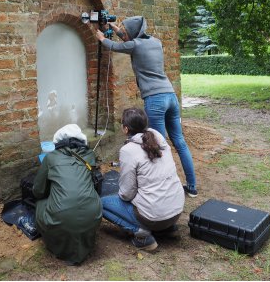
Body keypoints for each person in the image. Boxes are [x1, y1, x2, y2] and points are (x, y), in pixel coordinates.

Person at [95, 16, 198, 197]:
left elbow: (115, 45)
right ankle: (192, 187)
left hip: (155, 100)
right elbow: (128, 39)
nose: (124, 34)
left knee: (158, 146)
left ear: (133, 33)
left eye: (126, 31)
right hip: (170, 96)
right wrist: (114, 26)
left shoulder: (134, 45)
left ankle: (166, 190)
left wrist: (101, 37)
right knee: (179, 142)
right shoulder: (155, 42)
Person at [101, 108, 185, 251]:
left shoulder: (128, 150)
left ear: (125, 129)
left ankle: (142, 234)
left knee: (101, 203)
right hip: (176, 211)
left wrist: (120, 192)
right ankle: (168, 229)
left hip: (154, 216)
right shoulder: (159, 138)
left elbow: (127, 194)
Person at [33, 124, 102, 265]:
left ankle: (59, 244)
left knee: (40, 204)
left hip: (61, 217)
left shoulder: (51, 158)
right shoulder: (90, 155)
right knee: (79, 210)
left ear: (57, 142)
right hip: (92, 214)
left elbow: (38, 191)